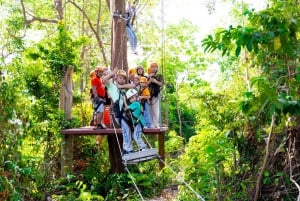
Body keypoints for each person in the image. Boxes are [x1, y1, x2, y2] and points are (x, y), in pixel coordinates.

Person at [102, 68, 138, 155]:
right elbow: (104, 80)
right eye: (120, 78)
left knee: (128, 129)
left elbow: (133, 86)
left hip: (124, 112)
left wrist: (121, 86)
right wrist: (112, 73)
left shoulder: (123, 88)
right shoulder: (111, 85)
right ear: (116, 78)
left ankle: (127, 149)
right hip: (118, 111)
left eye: (123, 78)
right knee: (126, 129)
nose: (121, 80)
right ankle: (127, 149)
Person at [148, 62, 164, 128]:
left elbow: (162, 84)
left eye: (155, 67)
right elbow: (144, 85)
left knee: (155, 109)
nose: (154, 68)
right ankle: (151, 124)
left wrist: (155, 81)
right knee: (150, 110)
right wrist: (149, 79)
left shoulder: (159, 76)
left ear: (157, 68)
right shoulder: (148, 76)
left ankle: (156, 123)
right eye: (152, 67)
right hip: (148, 94)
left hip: (156, 94)